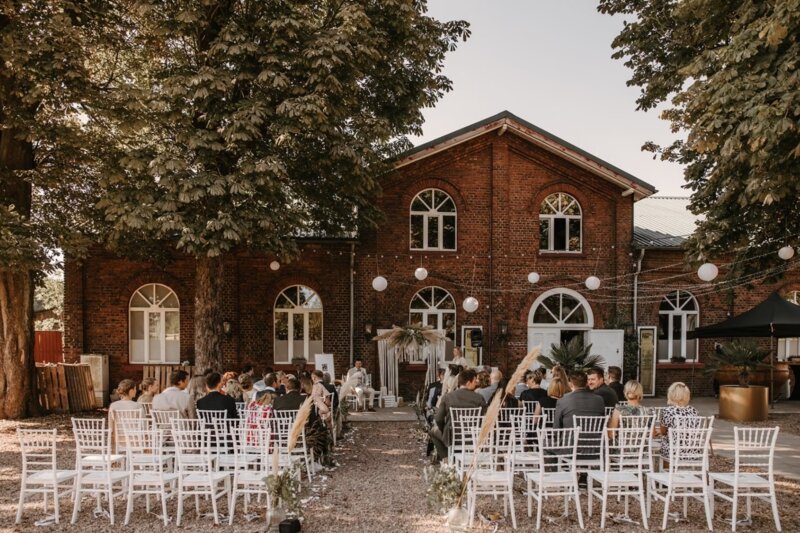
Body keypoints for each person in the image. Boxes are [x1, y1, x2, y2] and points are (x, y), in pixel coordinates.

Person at [429, 368, 487, 462]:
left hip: (452, 437)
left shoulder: (448, 397)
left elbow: (438, 419)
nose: (476, 383)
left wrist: (444, 430)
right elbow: (485, 418)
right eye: (474, 381)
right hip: (473, 437)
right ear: (468, 383)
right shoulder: (479, 398)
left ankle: (446, 458)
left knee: (433, 431)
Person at [658, 382, 699, 464]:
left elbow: (663, 432)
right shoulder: (694, 411)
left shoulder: (667, 411)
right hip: (693, 451)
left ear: (671, 394)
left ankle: (668, 469)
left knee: (663, 442)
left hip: (674, 451)